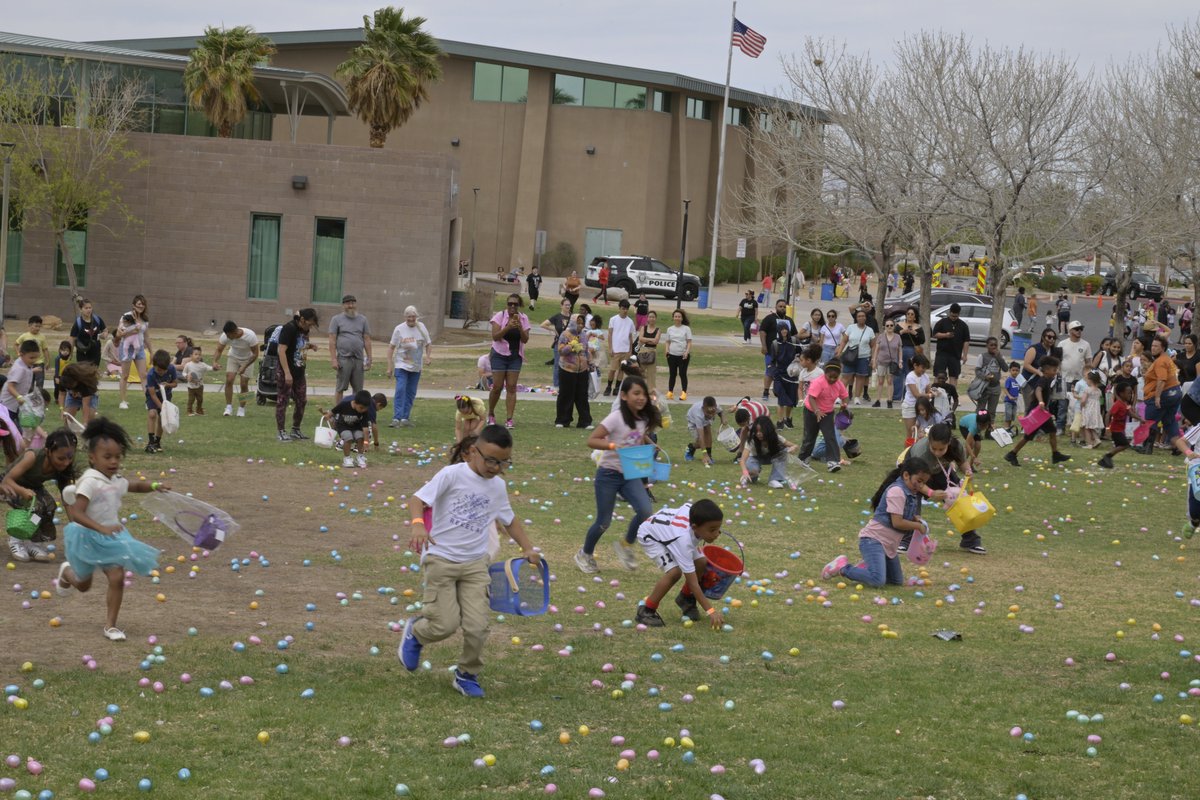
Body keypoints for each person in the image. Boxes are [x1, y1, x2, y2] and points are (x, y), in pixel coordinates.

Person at [400, 424, 539, 697]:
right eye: (490, 460)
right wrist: (418, 525)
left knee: (477, 626)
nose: (495, 467)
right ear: (472, 452)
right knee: (444, 625)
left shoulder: (498, 486)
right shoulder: (452, 475)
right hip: (440, 558)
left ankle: (467, 674)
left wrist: (528, 548)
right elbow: (418, 499)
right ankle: (416, 633)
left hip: (475, 564)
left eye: (503, 462)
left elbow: (509, 520)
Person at [55, 418, 168, 641]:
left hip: (111, 538)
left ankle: (111, 626)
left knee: (116, 576)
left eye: (117, 456)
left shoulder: (115, 479)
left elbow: (133, 486)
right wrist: (100, 528)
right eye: (107, 457)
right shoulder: (90, 481)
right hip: (86, 537)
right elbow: (77, 512)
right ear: (92, 457)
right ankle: (68, 573)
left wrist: (154, 486)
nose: (113, 461)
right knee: (83, 585)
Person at [575, 375, 661, 574]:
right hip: (609, 474)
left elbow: (636, 437)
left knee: (645, 511)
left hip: (629, 474)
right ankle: (584, 553)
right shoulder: (615, 418)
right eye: (636, 393)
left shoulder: (643, 418)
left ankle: (626, 545)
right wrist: (613, 445)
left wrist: (648, 444)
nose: (641, 398)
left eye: (643, 394)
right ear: (623, 396)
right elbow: (592, 440)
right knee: (604, 521)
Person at [821, 456, 935, 587]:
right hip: (874, 541)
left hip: (888, 546)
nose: (921, 486)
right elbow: (897, 522)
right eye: (919, 481)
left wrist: (915, 519)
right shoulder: (897, 491)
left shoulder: (911, 493)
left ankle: (866, 568)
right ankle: (843, 568)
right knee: (877, 580)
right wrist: (917, 526)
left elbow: (902, 514)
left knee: (896, 582)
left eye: (923, 483)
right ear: (906, 475)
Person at [632, 499, 727, 628]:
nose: (717, 534)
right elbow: (693, 583)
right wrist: (711, 611)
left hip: (668, 530)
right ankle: (646, 610)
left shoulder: (695, 517)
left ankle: (685, 598)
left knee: (701, 562)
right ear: (694, 527)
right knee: (674, 573)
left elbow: (688, 505)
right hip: (651, 536)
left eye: (718, 529)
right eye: (712, 530)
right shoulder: (683, 541)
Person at [2, 428, 78, 563]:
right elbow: (7, 480)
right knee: (36, 506)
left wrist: (76, 525)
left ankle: (33, 543)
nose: (66, 462)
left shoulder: (64, 468)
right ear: (48, 451)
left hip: (32, 488)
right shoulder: (32, 457)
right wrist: (22, 491)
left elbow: (67, 499)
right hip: (8, 486)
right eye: (60, 458)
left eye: (70, 457)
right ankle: (15, 539)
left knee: (49, 507)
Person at [909, 422, 986, 553]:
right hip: (913, 475)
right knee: (911, 503)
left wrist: (968, 471)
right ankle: (907, 540)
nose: (937, 453)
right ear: (929, 441)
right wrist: (931, 492)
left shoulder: (956, 446)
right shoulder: (920, 453)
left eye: (942, 449)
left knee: (959, 500)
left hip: (940, 471)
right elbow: (915, 482)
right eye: (934, 449)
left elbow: (962, 462)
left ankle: (970, 540)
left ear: (949, 442)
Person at [1005, 356, 1071, 466]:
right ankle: (1012, 454)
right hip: (1038, 412)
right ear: (1046, 370)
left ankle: (1055, 454)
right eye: (1054, 370)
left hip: (1041, 412)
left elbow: (1034, 393)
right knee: (1028, 436)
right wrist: (1040, 402)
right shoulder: (1043, 379)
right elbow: (1038, 390)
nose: (1056, 372)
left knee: (1051, 431)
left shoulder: (1048, 379)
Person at [274, 309, 320, 442]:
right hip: (286, 371)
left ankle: (295, 429)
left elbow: (299, 345)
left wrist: (310, 346)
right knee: (283, 400)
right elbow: (281, 351)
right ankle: (281, 431)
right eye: (309, 324)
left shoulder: (305, 330)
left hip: (299, 370)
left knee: (302, 400)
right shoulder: (289, 328)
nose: (310, 327)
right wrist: (287, 373)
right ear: (302, 320)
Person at [486, 294, 530, 429]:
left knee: (511, 387)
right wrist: (508, 327)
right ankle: (491, 414)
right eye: (510, 303)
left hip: (515, 356)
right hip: (499, 355)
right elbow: (495, 337)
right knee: (497, 387)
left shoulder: (523, 318)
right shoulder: (500, 316)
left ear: (519, 306)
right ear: (507, 304)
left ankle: (509, 419)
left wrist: (520, 328)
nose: (512, 306)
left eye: (515, 304)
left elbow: (525, 340)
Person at [797, 358, 849, 473]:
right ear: (825, 373)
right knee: (810, 436)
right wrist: (816, 411)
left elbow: (845, 395)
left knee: (830, 436)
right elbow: (811, 398)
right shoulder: (819, 382)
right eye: (830, 376)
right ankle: (803, 459)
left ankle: (833, 462)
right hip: (811, 411)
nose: (832, 379)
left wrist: (844, 404)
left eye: (835, 377)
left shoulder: (839, 384)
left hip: (827, 413)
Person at [388, 306, 432, 428]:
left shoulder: (421, 327)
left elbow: (428, 344)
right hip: (401, 365)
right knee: (401, 389)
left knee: (411, 392)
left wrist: (428, 357)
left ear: (416, 317)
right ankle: (396, 418)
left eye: (413, 316)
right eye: (409, 317)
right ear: (405, 317)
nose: (411, 319)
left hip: (416, 366)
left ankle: (405, 418)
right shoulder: (399, 329)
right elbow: (391, 348)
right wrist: (389, 366)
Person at [328, 295, 373, 406]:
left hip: (358, 359)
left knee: (358, 389)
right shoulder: (336, 319)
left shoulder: (363, 319)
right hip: (343, 359)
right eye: (348, 303)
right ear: (343, 305)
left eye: (353, 303)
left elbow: (367, 339)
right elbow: (332, 341)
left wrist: (369, 358)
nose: (351, 306)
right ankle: (337, 412)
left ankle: (355, 412)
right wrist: (333, 359)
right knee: (340, 388)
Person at [1141, 335, 1183, 455]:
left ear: (1163, 348)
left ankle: (1147, 447)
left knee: (1150, 419)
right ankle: (1178, 446)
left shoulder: (1160, 361)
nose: (1153, 348)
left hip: (1164, 393)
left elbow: (1162, 379)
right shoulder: (1167, 358)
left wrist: (1158, 397)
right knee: (1169, 421)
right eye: (1152, 345)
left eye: (1156, 346)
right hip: (1175, 392)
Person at [212, 321, 260, 418]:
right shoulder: (225, 336)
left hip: (248, 359)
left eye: (229, 335)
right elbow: (219, 349)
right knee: (229, 380)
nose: (227, 337)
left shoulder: (250, 335)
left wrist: (244, 366)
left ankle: (241, 408)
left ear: (235, 332)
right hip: (233, 357)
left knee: (243, 383)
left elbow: (255, 354)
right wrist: (215, 362)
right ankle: (228, 407)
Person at [554, 314, 593, 429]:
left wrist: (590, 363)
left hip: (582, 370)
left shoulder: (584, 335)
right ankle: (562, 420)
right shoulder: (565, 334)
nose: (580, 325)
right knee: (566, 395)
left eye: (582, 323)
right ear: (573, 322)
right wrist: (571, 347)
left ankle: (585, 421)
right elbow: (560, 351)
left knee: (582, 396)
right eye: (578, 322)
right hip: (567, 369)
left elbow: (586, 351)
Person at [322, 389, 375, 469]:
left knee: (360, 437)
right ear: (355, 402)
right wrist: (328, 416)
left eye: (365, 408)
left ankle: (360, 457)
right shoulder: (344, 405)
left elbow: (365, 429)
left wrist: (366, 442)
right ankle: (347, 458)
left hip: (356, 427)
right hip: (343, 426)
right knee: (348, 437)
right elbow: (333, 411)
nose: (363, 410)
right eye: (361, 408)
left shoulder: (364, 412)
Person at [739, 416, 798, 488]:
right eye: (756, 431)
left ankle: (774, 480)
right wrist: (745, 472)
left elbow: (794, 445)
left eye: (761, 431)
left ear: (768, 430)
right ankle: (748, 476)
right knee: (752, 476)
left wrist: (793, 448)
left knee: (784, 452)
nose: (758, 434)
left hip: (772, 457)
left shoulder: (776, 437)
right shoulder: (752, 440)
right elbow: (742, 460)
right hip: (755, 458)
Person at [114, 295, 150, 410]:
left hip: (139, 348)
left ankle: (148, 401)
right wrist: (134, 329)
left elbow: (147, 337)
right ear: (133, 305)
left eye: (143, 304)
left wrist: (151, 351)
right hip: (127, 348)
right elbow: (119, 334)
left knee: (143, 375)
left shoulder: (145, 319)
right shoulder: (126, 316)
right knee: (125, 376)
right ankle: (123, 401)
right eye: (139, 304)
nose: (141, 306)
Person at [1057, 320, 1093, 432]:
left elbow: (1088, 362)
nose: (1079, 331)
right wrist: (1057, 373)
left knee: (1077, 405)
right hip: (1064, 378)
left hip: (1079, 380)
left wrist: (1087, 377)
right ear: (1070, 330)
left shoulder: (1085, 344)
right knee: (1063, 404)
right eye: (1076, 329)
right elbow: (1057, 360)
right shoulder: (1062, 344)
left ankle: (1075, 427)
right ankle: (1060, 427)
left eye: (1080, 329)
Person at [759, 300, 795, 401]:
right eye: (780, 306)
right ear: (776, 307)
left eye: (784, 307)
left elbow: (794, 334)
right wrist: (764, 346)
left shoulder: (789, 320)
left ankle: (781, 391)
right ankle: (766, 391)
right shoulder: (769, 318)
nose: (782, 308)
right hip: (772, 351)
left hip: (786, 352)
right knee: (770, 371)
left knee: (784, 372)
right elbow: (762, 332)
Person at [1098, 382, 1140, 469]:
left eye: (1131, 393)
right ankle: (1107, 457)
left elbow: (1130, 413)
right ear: (1121, 393)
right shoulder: (1118, 404)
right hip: (1115, 430)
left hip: (1119, 430)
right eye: (1128, 393)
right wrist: (1107, 428)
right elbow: (1108, 415)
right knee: (1125, 444)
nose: (1130, 395)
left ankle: (1106, 459)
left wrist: (1141, 419)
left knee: (1122, 445)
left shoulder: (1125, 404)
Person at [837, 308, 875, 404]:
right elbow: (844, 341)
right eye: (859, 316)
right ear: (856, 318)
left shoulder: (870, 330)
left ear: (865, 318)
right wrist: (839, 352)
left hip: (864, 356)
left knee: (861, 377)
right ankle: (839, 396)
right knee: (846, 375)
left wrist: (873, 358)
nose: (861, 318)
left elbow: (873, 345)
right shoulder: (851, 327)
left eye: (863, 316)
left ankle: (857, 397)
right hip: (851, 356)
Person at [143, 350, 177, 455]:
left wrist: (168, 385)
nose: (161, 372)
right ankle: (150, 442)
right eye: (159, 370)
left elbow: (175, 384)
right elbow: (152, 394)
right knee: (152, 414)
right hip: (153, 396)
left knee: (162, 418)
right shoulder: (151, 375)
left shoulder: (171, 369)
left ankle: (157, 442)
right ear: (154, 365)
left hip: (166, 395)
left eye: (163, 370)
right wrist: (162, 407)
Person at [604, 300, 637, 396]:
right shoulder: (613, 319)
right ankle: (609, 386)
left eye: (626, 309)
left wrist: (630, 350)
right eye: (623, 308)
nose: (625, 310)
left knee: (621, 370)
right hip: (616, 350)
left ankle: (617, 388)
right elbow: (610, 334)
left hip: (625, 350)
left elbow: (630, 337)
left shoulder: (630, 321)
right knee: (612, 370)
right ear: (619, 308)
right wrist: (610, 348)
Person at [770, 325, 800, 428]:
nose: (784, 331)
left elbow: (801, 353)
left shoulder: (794, 341)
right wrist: (774, 374)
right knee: (781, 399)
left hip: (792, 374)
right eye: (782, 329)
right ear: (779, 330)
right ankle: (780, 421)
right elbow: (773, 361)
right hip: (780, 374)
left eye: (786, 329)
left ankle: (788, 419)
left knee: (791, 400)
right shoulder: (775, 343)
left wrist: (798, 360)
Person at [3, 341, 39, 426]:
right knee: (9, 429)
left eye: (36, 358)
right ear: (21, 354)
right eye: (31, 358)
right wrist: (19, 397)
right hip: (8, 406)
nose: (34, 360)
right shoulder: (19, 368)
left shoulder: (25, 363)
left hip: (17, 405)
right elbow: (10, 386)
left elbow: (25, 372)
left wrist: (33, 371)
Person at [540, 299, 574, 389]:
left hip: (571, 344)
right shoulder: (557, 317)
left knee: (570, 364)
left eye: (569, 305)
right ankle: (556, 385)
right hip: (559, 343)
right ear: (561, 306)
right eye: (566, 305)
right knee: (557, 365)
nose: (568, 307)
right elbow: (543, 324)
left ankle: (567, 385)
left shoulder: (572, 317)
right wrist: (553, 330)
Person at [932, 303, 970, 380]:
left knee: (954, 376)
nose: (954, 318)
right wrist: (945, 335)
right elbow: (934, 334)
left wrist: (965, 355)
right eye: (952, 316)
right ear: (949, 312)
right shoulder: (942, 322)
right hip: (942, 354)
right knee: (938, 375)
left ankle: (952, 391)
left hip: (955, 355)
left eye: (956, 316)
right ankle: (936, 390)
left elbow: (966, 341)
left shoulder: (963, 325)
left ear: (959, 314)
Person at [901, 353, 933, 443]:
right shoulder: (910, 376)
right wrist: (929, 395)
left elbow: (928, 390)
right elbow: (916, 394)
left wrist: (932, 392)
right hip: (910, 406)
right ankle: (906, 455)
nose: (924, 370)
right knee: (911, 433)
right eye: (922, 367)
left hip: (922, 407)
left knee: (921, 433)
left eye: (925, 368)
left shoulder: (925, 376)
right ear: (915, 365)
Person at [663, 309, 693, 401]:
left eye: (679, 316)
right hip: (672, 355)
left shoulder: (686, 329)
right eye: (675, 316)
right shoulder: (670, 329)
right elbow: (667, 342)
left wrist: (686, 352)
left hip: (683, 355)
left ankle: (684, 392)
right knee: (672, 374)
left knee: (682, 374)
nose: (677, 318)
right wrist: (667, 350)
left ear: (682, 318)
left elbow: (689, 342)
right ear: (673, 317)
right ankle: (670, 392)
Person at [685, 396, 724, 465]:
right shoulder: (698, 415)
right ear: (703, 408)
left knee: (708, 430)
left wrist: (722, 419)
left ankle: (709, 455)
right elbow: (701, 436)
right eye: (708, 413)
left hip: (704, 420)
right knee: (702, 442)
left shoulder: (715, 406)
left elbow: (721, 411)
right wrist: (704, 454)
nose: (711, 415)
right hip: (693, 422)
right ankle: (691, 447)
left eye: (713, 413)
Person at [873, 319, 902, 408]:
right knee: (880, 381)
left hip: (892, 362)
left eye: (891, 325)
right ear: (884, 327)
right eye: (887, 325)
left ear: (894, 326)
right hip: (881, 362)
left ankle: (889, 400)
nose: (889, 327)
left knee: (890, 381)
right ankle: (878, 400)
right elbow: (876, 350)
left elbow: (900, 350)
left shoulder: (897, 337)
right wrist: (874, 361)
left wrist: (900, 361)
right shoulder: (881, 336)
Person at [60, 362, 100, 427]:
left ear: (76, 380)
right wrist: (61, 409)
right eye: (69, 388)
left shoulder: (86, 385)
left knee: (90, 420)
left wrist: (85, 422)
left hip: (90, 396)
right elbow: (61, 394)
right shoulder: (64, 381)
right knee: (68, 418)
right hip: (72, 397)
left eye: (72, 386)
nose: (71, 388)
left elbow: (86, 405)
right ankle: (66, 435)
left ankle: (90, 434)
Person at [69, 299, 107, 368]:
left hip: (95, 351)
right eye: (86, 308)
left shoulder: (97, 319)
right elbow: (72, 338)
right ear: (81, 309)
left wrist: (104, 335)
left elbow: (105, 330)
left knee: (93, 372)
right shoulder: (78, 323)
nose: (88, 310)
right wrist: (70, 352)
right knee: (82, 372)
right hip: (82, 351)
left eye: (90, 308)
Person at [1076, 371, 1104, 448]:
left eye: (1087, 379)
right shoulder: (1099, 391)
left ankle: (1089, 444)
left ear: (1090, 380)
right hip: (1095, 411)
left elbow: (1083, 400)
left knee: (1086, 427)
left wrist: (1082, 406)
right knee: (1091, 426)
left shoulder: (1087, 390)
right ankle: (1097, 439)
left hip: (1088, 410)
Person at [179, 346, 211, 417]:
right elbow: (183, 373)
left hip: (200, 386)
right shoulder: (188, 365)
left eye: (199, 354)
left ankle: (199, 410)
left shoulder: (202, 365)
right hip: (191, 386)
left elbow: (209, 368)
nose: (198, 356)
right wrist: (187, 376)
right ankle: (189, 411)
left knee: (200, 399)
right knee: (191, 399)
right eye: (196, 354)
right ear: (191, 356)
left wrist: (215, 368)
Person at [636, 310, 661, 396]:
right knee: (640, 372)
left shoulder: (658, 330)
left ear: (655, 318)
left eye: (653, 317)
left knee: (651, 374)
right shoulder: (644, 328)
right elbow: (640, 339)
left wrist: (646, 339)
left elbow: (656, 341)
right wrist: (650, 340)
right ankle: (638, 390)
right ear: (647, 318)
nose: (651, 318)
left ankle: (651, 393)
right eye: (650, 316)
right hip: (642, 351)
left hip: (652, 352)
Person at [52, 341, 73, 408]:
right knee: (57, 388)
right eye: (63, 350)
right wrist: (57, 377)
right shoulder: (58, 358)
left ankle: (65, 399)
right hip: (59, 376)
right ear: (60, 350)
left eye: (67, 350)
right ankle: (56, 398)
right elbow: (57, 368)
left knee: (65, 388)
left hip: (66, 376)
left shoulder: (69, 358)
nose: (65, 352)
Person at [1003, 361, 1022, 431]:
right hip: (1008, 401)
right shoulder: (1009, 380)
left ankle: (1009, 428)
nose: (1015, 372)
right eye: (1013, 370)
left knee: (1012, 416)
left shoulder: (1019, 380)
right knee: (1008, 415)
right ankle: (1006, 428)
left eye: (1017, 370)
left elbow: (1020, 390)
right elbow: (1005, 389)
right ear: (1010, 370)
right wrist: (1009, 396)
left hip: (1015, 401)